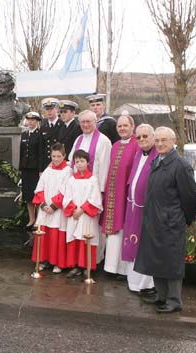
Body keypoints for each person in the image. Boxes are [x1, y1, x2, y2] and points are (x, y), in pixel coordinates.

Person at [134, 127, 196, 314]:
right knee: (157, 259)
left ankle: (174, 300)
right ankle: (161, 295)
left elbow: (191, 198)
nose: (160, 144)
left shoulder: (180, 165)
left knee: (171, 262)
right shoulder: (157, 161)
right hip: (154, 220)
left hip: (171, 221)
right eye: (158, 140)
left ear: (173, 141)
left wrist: (184, 218)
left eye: (165, 140)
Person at [68, 110, 112, 263]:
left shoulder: (103, 141)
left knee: (92, 227)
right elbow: (71, 162)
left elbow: (105, 167)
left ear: (95, 122)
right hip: (76, 190)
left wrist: (100, 192)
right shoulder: (78, 139)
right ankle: (78, 261)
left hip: (93, 191)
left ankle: (93, 261)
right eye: (82, 122)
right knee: (76, 226)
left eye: (89, 122)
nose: (85, 125)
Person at [102, 114, 139, 281]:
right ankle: (110, 266)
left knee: (124, 229)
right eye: (119, 126)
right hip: (113, 194)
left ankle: (123, 270)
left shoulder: (137, 145)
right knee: (113, 231)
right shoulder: (115, 145)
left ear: (132, 127)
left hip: (126, 195)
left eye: (125, 125)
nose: (122, 128)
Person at [122, 124, 157, 294]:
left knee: (145, 245)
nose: (142, 140)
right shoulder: (138, 154)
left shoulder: (158, 157)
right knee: (132, 243)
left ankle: (146, 284)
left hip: (148, 210)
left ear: (153, 137)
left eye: (146, 136)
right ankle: (133, 280)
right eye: (139, 137)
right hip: (133, 207)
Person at [31, 143, 72, 273]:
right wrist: (43, 204)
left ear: (64, 156)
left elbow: (66, 191)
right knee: (44, 236)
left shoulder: (68, 171)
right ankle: (44, 260)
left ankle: (58, 263)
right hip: (45, 209)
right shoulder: (48, 170)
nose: (55, 159)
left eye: (58, 156)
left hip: (57, 210)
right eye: (53, 156)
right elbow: (39, 188)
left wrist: (53, 206)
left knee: (56, 237)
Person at [63, 150, 104, 278]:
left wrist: (82, 209)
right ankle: (75, 266)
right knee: (74, 239)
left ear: (88, 162)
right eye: (77, 162)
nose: (79, 164)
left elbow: (95, 199)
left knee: (86, 239)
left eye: (82, 161)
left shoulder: (92, 179)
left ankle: (87, 266)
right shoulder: (71, 180)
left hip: (86, 215)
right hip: (74, 214)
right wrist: (73, 209)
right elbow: (67, 197)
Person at [19, 112, 42, 229]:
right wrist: (20, 168)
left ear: (37, 121)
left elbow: (41, 153)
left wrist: (41, 170)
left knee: (36, 195)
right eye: (28, 120)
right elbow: (21, 152)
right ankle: (31, 219)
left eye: (33, 120)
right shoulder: (24, 134)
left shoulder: (40, 135)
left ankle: (38, 220)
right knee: (28, 195)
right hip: (25, 168)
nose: (30, 122)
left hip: (35, 169)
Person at [38, 98, 62, 172]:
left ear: (57, 110)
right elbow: (41, 149)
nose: (49, 111)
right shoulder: (43, 127)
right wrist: (41, 169)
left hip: (59, 162)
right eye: (47, 109)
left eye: (51, 109)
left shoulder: (62, 124)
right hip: (46, 163)